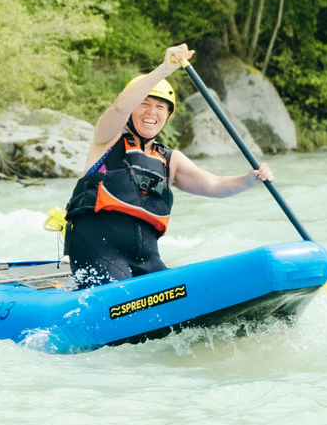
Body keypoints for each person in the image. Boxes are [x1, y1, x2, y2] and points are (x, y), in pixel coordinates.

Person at [63, 44, 274, 287]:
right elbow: (120, 107)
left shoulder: (169, 159)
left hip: (146, 260)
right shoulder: (107, 139)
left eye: (160, 106)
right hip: (97, 252)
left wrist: (250, 179)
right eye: (144, 103)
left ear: (168, 115)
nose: (152, 112)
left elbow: (215, 185)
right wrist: (165, 69)